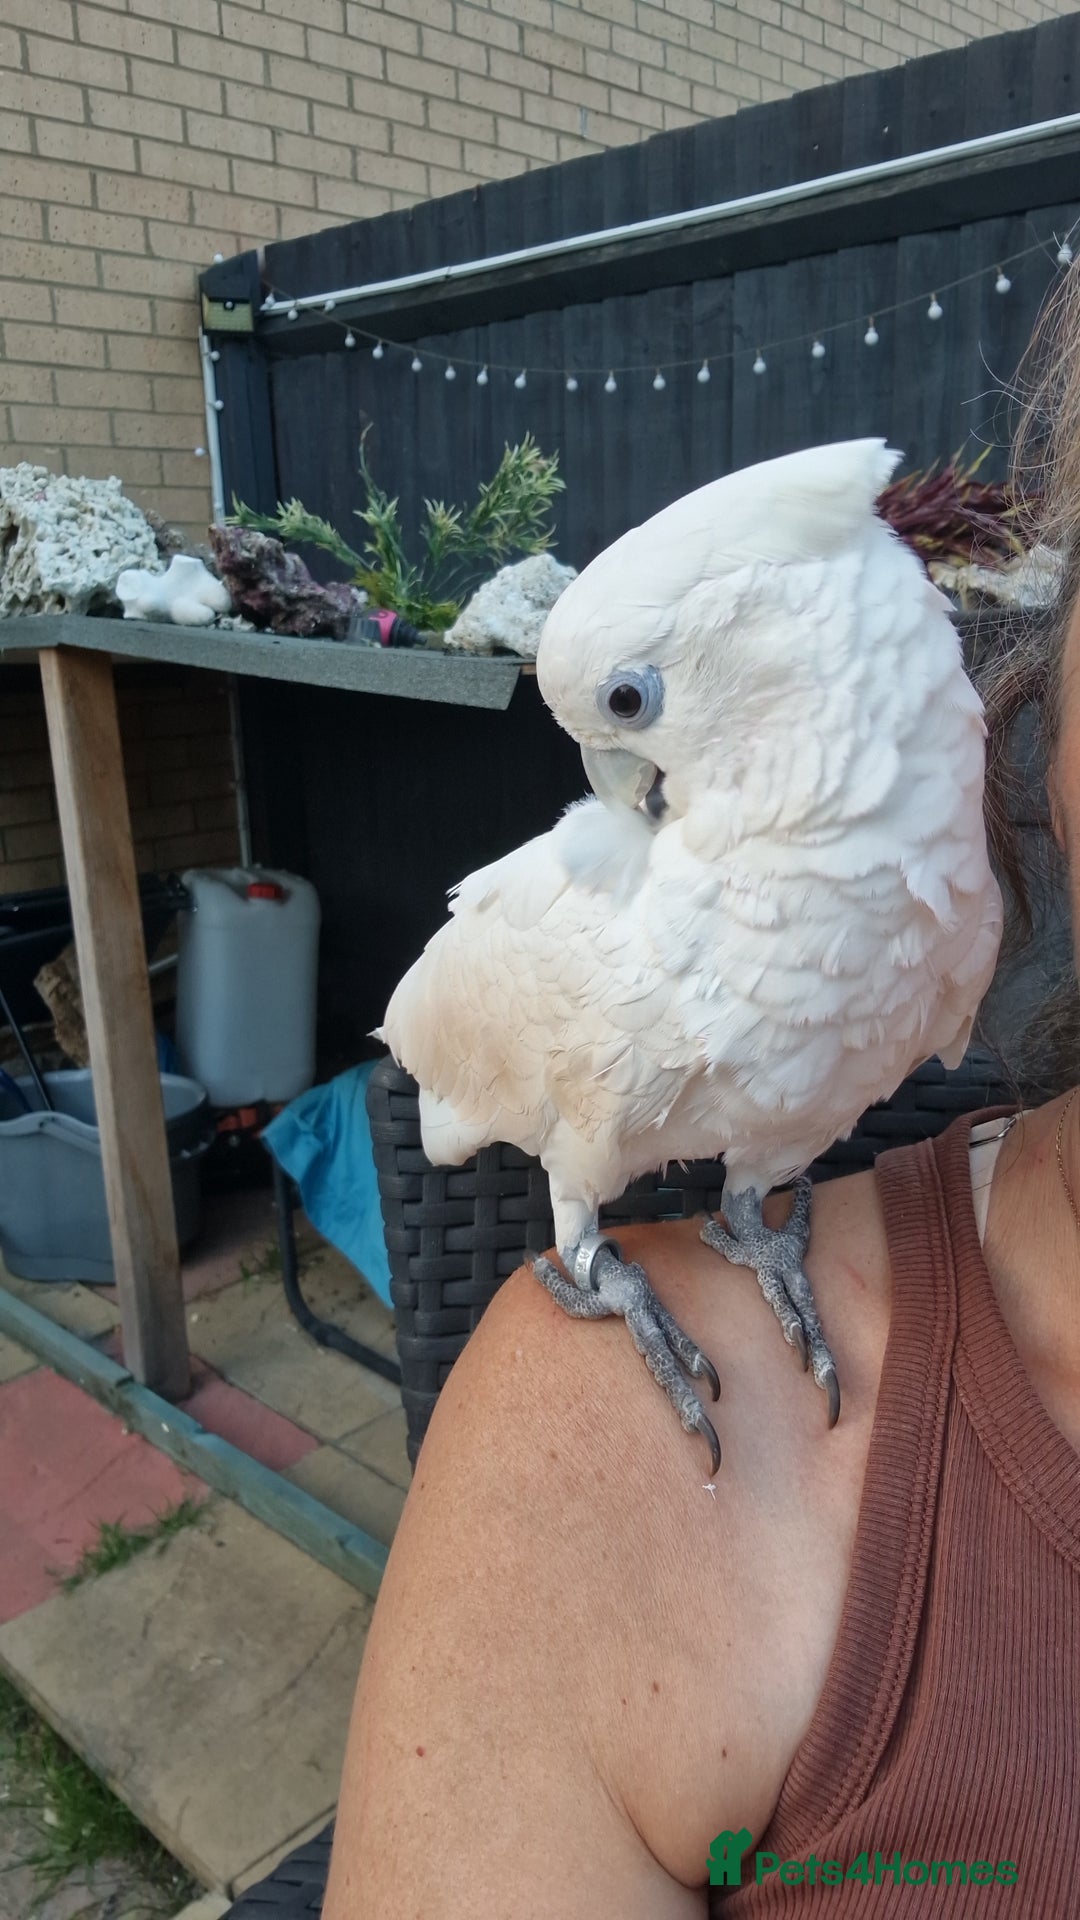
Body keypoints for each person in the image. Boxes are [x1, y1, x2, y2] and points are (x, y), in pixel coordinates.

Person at [323, 278, 1080, 1916]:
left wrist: (760, 1210)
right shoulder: (627, 932)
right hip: (571, 1161)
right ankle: (610, 1248)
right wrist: (585, 1259)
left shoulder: (943, 913)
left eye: (636, 711)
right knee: (601, 1211)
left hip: (780, 1169)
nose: (622, 768)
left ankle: (747, 1215)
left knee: (764, 1188)